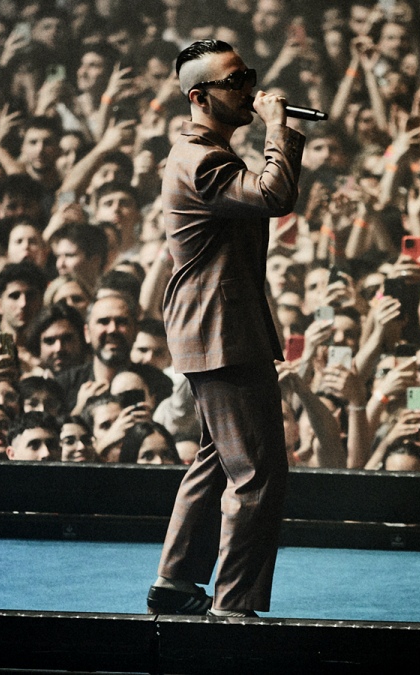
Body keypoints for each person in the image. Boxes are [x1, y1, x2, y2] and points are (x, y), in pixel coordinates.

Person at [148, 39, 304, 619]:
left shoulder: (206, 150)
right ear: (199, 96)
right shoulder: (201, 159)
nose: (249, 89)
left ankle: (176, 580)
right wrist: (278, 127)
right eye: (235, 81)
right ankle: (233, 606)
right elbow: (274, 194)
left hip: (221, 326)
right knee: (258, 474)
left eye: (249, 77)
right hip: (220, 330)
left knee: (218, 456)